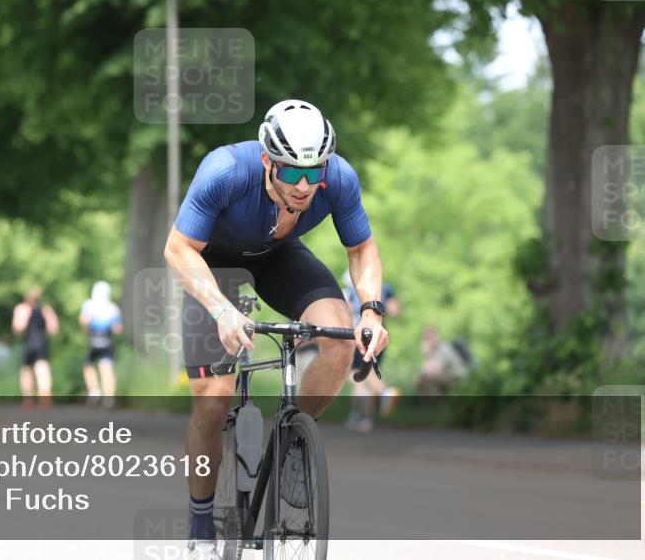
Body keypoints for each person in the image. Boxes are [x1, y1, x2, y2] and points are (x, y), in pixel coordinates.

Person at [163, 99, 390, 558]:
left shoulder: (339, 178)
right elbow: (178, 249)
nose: (305, 185)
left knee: (338, 339)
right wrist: (221, 309)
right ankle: (202, 525)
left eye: (314, 172)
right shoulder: (225, 171)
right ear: (268, 160)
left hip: (280, 259)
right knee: (214, 402)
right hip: (214, 268)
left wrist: (371, 310)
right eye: (291, 173)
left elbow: (362, 250)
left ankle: (292, 448)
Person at [343, 271, 402, 432]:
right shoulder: (384, 288)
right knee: (365, 376)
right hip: (379, 335)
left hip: (360, 336)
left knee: (359, 375)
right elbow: (395, 310)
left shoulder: (350, 291)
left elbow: (347, 311)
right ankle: (363, 418)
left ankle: (384, 393)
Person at [12, 286, 59, 406]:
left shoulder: (22, 309)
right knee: (42, 367)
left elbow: (18, 328)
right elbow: (53, 328)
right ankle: (45, 394)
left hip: (29, 342)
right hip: (42, 342)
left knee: (27, 369)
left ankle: (28, 398)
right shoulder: (46, 310)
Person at [79, 281, 123, 407]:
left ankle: (94, 390)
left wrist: (86, 331)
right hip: (107, 341)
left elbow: (84, 321)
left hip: (93, 340)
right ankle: (109, 397)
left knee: (88, 365)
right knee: (107, 368)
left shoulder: (89, 305)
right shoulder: (113, 308)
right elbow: (117, 329)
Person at [416, 325, 470, 396]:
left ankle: (436, 404)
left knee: (426, 378)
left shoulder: (443, 349)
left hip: (457, 377)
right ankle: (428, 404)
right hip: (447, 377)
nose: (429, 341)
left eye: (430, 338)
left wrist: (427, 354)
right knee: (421, 378)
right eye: (426, 338)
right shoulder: (433, 351)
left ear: (437, 337)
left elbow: (435, 370)